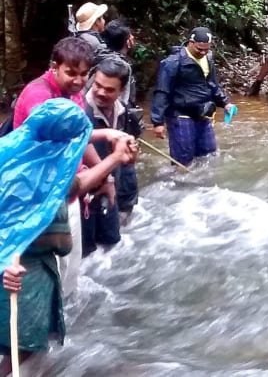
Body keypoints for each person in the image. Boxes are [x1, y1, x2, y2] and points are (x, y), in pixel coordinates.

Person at [0, 101, 138, 377]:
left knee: (23, 345)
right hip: (20, 273)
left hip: (32, 271)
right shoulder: (23, 173)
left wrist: (114, 157)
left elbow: (73, 187)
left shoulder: (26, 154)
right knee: (22, 346)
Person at [11, 36, 131, 298]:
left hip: (68, 190)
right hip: (38, 196)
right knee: (43, 274)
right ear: (54, 66)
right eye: (70, 73)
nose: (78, 81)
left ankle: (63, 328)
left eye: (83, 74)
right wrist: (111, 155)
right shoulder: (39, 96)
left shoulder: (73, 93)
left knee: (70, 268)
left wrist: (106, 178)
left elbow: (79, 136)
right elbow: (62, 166)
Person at [151, 27, 234, 167]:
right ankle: (180, 186)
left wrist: (225, 103)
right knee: (183, 160)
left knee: (208, 156)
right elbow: (162, 91)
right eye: (199, 49)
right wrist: (157, 122)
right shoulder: (173, 62)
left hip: (202, 112)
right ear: (190, 42)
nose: (202, 53)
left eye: (206, 49)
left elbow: (212, 84)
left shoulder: (208, 58)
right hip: (180, 114)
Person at [82, 58, 140, 256]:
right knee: (85, 252)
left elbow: (126, 162)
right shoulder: (79, 111)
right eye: (97, 85)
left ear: (121, 90)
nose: (100, 92)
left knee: (111, 243)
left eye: (109, 90)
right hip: (83, 192)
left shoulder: (122, 111)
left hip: (110, 187)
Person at [99, 19, 141, 225]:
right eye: (130, 36)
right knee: (123, 168)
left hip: (102, 125)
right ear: (127, 41)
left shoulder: (99, 58)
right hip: (116, 125)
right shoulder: (121, 68)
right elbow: (121, 102)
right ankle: (122, 214)